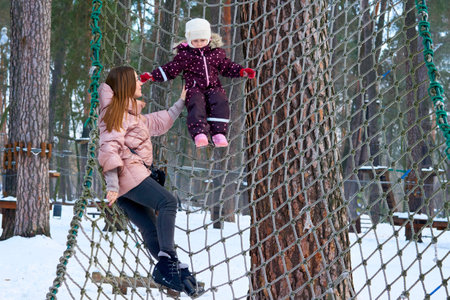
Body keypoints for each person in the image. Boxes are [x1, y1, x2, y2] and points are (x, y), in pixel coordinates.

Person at [98, 66, 199, 296]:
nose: (141, 82)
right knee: (168, 202)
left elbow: (158, 122)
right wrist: (112, 184)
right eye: (136, 79)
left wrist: (181, 101)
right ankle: (168, 261)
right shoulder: (113, 112)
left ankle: (176, 275)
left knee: (150, 229)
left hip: (127, 186)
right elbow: (108, 147)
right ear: (125, 84)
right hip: (128, 175)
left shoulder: (132, 115)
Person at [140, 18, 256, 148]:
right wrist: (153, 76)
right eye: (195, 41)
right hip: (194, 88)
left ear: (209, 39)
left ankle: (218, 134)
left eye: (202, 40)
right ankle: (199, 134)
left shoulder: (216, 53)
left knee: (220, 100)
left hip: (213, 86)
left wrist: (241, 71)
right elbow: (170, 69)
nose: (199, 43)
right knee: (196, 103)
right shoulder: (185, 55)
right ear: (189, 40)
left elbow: (226, 66)